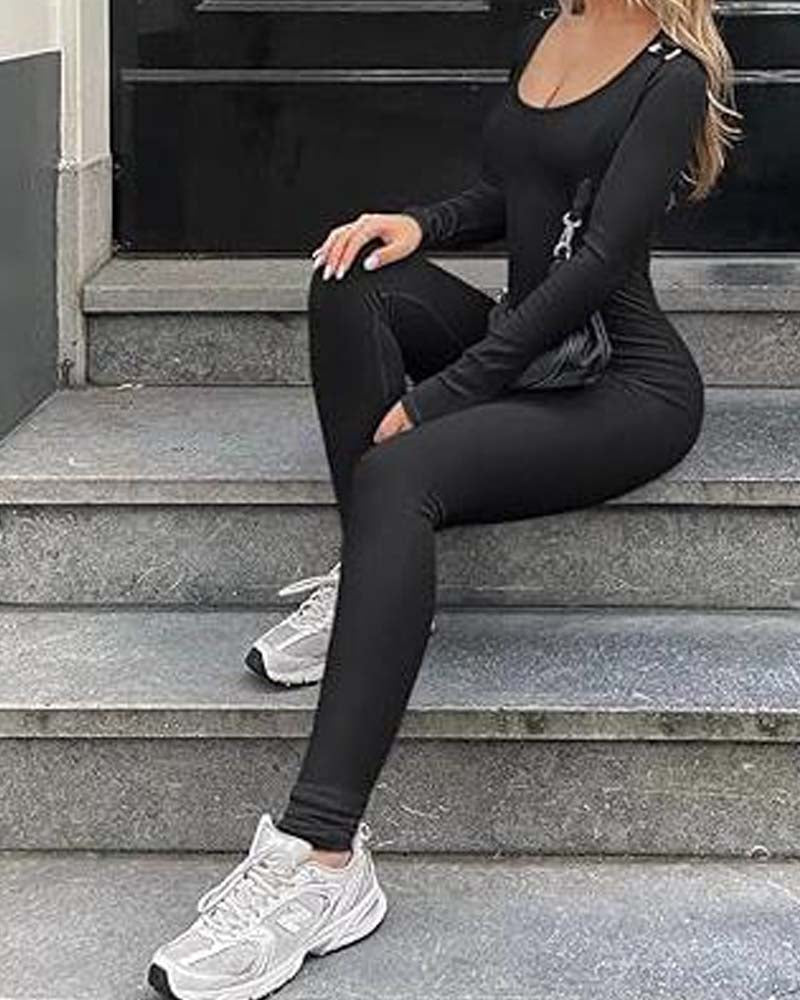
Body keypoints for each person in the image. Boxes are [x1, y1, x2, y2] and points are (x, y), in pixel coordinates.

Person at [148, 1, 741, 997]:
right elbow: (516, 194)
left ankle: (323, 858)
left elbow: (595, 265)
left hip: (621, 383)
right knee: (350, 277)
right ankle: (371, 584)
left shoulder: (668, 73)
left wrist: (438, 399)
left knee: (399, 470)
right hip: (531, 344)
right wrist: (418, 224)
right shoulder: (546, 29)